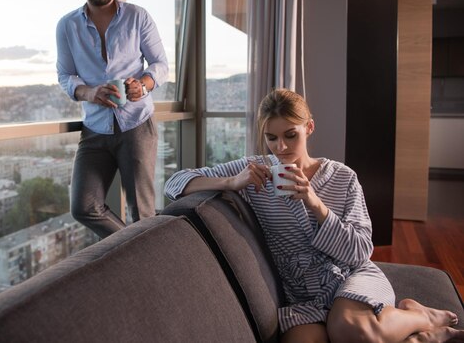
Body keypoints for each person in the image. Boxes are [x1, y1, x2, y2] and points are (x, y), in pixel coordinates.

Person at [164, 88, 464, 343]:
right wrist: (231, 182)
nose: (280, 148)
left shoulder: (342, 177)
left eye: (290, 135)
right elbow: (174, 183)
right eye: (271, 138)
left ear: (309, 128)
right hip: (301, 293)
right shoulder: (254, 170)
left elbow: (360, 251)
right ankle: (425, 337)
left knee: (350, 329)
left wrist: (314, 201)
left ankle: (418, 315)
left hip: (350, 278)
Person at [56, 0, 168, 239]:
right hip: (94, 129)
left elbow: (160, 65)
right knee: (83, 205)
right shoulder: (67, 26)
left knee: (142, 213)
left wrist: (142, 85)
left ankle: (145, 263)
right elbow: (65, 75)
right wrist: (88, 93)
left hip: (137, 125)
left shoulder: (138, 17)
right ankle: (132, 247)